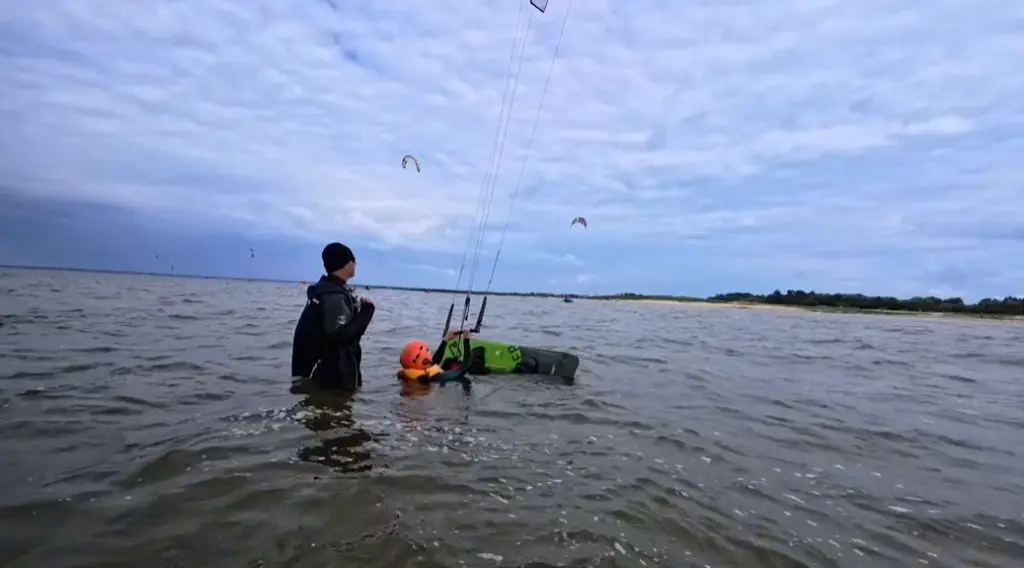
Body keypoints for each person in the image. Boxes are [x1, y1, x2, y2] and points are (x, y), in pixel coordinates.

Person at [290, 242, 375, 393]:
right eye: (353, 260)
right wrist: (367, 312)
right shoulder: (332, 296)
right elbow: (341, 336)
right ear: (346, 265)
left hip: (321, 379)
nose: (356, 264)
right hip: (327, 384)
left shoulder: (326, 292)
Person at [397, 330, 473, 390]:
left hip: (420, 398)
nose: (429, 353)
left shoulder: (413, 376)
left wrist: (446, 339)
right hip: (436, 396)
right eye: (427, 350)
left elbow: (431, 364)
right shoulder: (436, 377)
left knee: (448, 361)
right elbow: (463, 370)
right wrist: (466, 340)